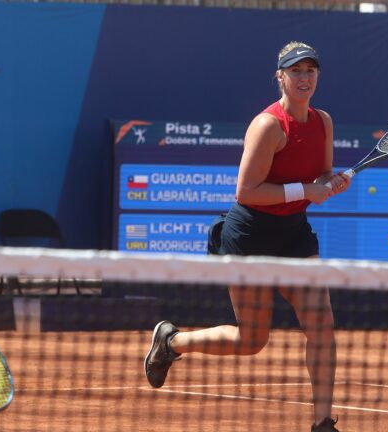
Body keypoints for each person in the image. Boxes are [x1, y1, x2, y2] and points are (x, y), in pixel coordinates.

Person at [144, 42, 350, 432]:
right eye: (296, 71)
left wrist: (330, 183)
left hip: (294, 236)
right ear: (280, 77)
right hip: (250, 235)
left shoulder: (323, 121)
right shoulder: (267, 126)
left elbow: (320, 176)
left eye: (310, 71)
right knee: (252, 340)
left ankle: (323, 422)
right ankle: (171, 343)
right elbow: (247, 191)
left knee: (321, 324)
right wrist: (307, 190)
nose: (304, 78)